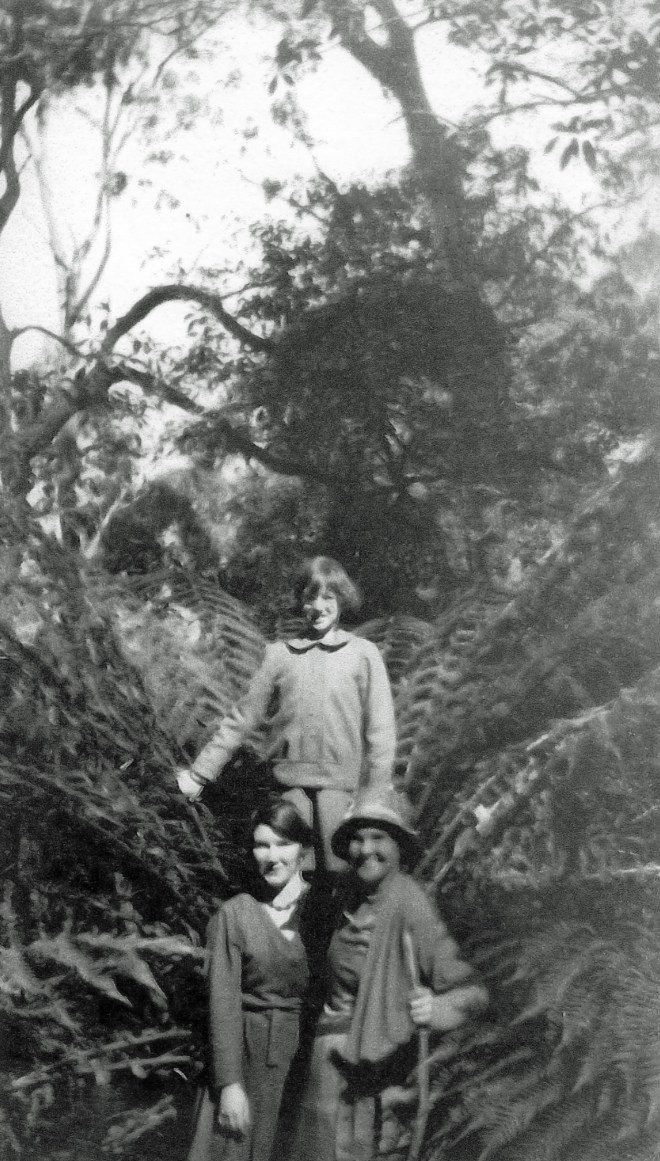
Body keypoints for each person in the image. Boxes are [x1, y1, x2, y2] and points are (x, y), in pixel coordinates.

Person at [286, 786, 489, 1161]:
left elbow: (472, 993)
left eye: (378, 837)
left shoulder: (409, 902)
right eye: (357, 839)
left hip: (373, 1072)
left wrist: (440, 1007)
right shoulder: (344, 898)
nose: (366, 850)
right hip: (322, 1067)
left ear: (400, 846)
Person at [176, 557, 397, 875]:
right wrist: (199, 774)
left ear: (342, 601)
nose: (318, 607)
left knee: (343, 883)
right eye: (310, 598)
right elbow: (243, 717)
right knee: (291, 884)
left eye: (328, 598)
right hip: (289, 795)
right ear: (300, 601)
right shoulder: (279, 655)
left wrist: (372, 804)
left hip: (345, 798)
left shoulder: (363, 655)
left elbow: (382, 735)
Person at [186, 797, 315, 1161]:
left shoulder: (321, 911)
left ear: (303, 850)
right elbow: (221, 1003)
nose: (272, 856)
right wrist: (229, 1085)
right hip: (244, 1058)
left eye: (283, 843)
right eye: (262, 845)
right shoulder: (234, 915)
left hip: (302, 1065)